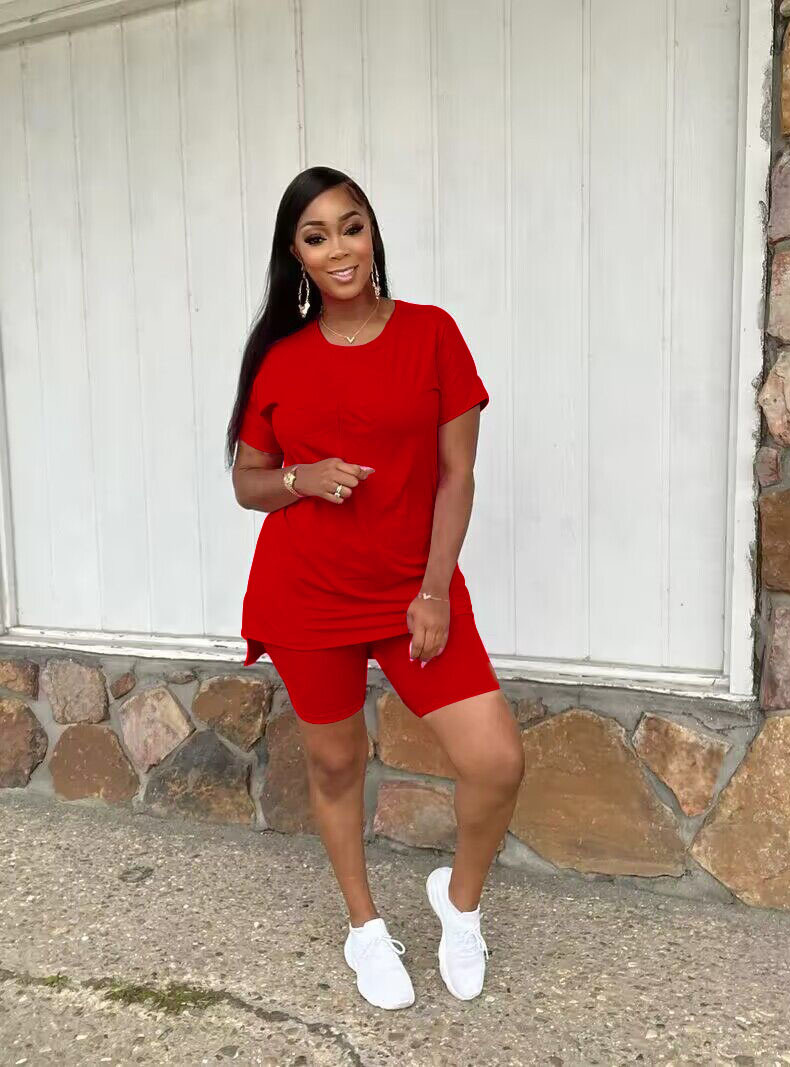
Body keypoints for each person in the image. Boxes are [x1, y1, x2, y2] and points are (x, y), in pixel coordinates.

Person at [226, 166, 525, 1010]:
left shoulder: (432, 334)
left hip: (410, 592)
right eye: (316, 236)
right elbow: (249, 481)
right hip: (307, 591)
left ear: (373, 233)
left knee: (496, 759)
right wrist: (302, 477)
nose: (339, 248)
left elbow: (457, 475)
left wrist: (434, 589)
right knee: (335, 762)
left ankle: (459, 905)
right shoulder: (280, 359)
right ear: (296, 255)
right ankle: (364, 925)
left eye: (350, 226)